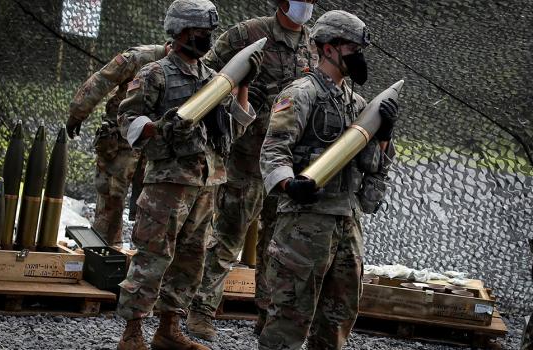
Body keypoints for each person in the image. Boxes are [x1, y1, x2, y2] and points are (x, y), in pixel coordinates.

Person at [114, 0, 260, 349]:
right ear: (180, 32)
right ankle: (132, 333)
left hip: (205, 185)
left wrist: (242, 86)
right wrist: (161, 126)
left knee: (191, 261)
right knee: (152, 257)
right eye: (201, 33)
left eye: (209, 33)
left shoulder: (213, 80)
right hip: (167, 184)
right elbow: (127, 120)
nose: (206, 39)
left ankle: (168, 329)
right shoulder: (155, 74)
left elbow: (232, 132)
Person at [258, 10, 399, 349]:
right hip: (304, 224)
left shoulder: (359, 105)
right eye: (353, 47)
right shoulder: (301, 94)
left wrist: (384, 138)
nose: (359, 56)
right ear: (329, 48)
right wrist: (289, 185)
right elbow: (274, 151)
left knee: (338, 317)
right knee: (289, 316)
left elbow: (372, 166)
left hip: (346, 223)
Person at [187, 0, 318, 340]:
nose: (308, 5)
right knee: (228, 237)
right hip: (245, 157)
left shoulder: (313, 45)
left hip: (284, 164)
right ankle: (201, 310)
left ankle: (266, 315)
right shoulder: (247, 35)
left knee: (276, 244)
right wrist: (239, 90)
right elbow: (206, 79)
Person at [67, 42, 170, 246]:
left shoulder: (190, 66)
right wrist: (78, 112)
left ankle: (141, 261)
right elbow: (103, 79)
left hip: (156, 145)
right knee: (111, 200)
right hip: (121, 141)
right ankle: (105, 254)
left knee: (150, 208)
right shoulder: (139, 58)